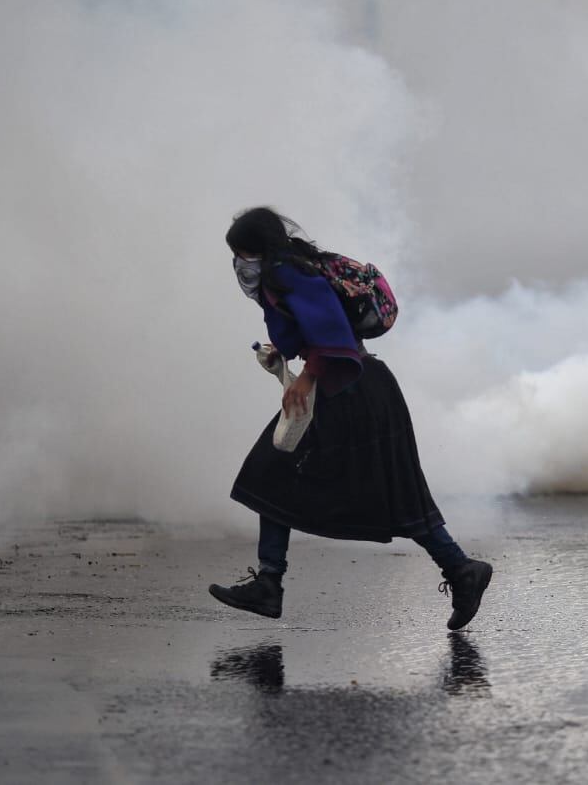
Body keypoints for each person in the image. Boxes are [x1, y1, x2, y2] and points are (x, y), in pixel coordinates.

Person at [209, 207, 493, 631]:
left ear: (259, 250)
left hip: (351, 391)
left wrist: (305, 379)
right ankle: (459, 569)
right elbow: (319, 330)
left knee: (277, 475)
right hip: (354, 387)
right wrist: (284, 353)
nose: (240, 263)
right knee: (293, 478)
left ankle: (271, 583)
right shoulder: (292, 270)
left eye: (242, 253)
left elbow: (335, 338)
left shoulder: (289, 275)